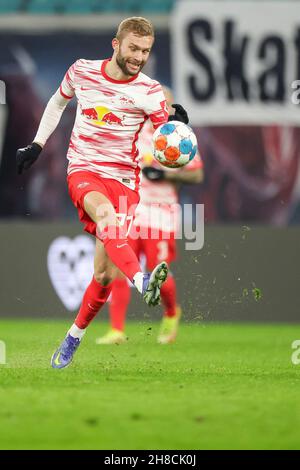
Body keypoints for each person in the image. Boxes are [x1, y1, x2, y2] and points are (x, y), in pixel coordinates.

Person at [16, 17, 190, 369]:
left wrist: (174, 125)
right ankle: (142, 281)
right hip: (83, 169)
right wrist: (37, 143)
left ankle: (72, 338)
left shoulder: (150, 92)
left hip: (125, 181)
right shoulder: (82, 71)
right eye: (133, 49)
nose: (139, 57)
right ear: (115, 44)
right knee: (106, 216)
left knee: (103, 276)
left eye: (145, 51)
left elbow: (164, 139)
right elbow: (57, 101)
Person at [96, 86, 203, 345]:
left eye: (166, 103)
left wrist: (166, 174)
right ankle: (117, 330)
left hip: (161, 214)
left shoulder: (179, 135)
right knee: (119, 266)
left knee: (158, 271)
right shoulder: (135, 132)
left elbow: (197, 174)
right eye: (158, 102)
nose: (161, 107)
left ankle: (171, 312)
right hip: (132, 209)